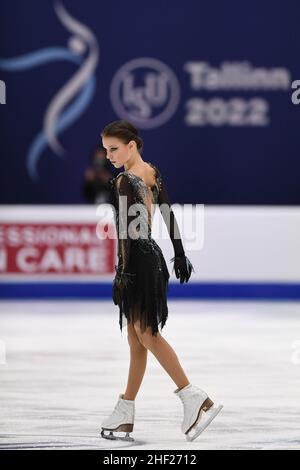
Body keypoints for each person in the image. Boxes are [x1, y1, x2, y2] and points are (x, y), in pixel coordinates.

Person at [99, 120, 223, 442]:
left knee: (148, 335)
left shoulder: (124, 180)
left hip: (138, 264)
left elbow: (128, 234)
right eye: (106, 150)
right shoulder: (152, 172)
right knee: (136, 340)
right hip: (152, 260)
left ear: (131, 146)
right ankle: (126, 410)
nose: (109, 156)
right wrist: (180, 254)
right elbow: (167, 214)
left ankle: (193, 397)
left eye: (114, 149)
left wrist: (122, 273)